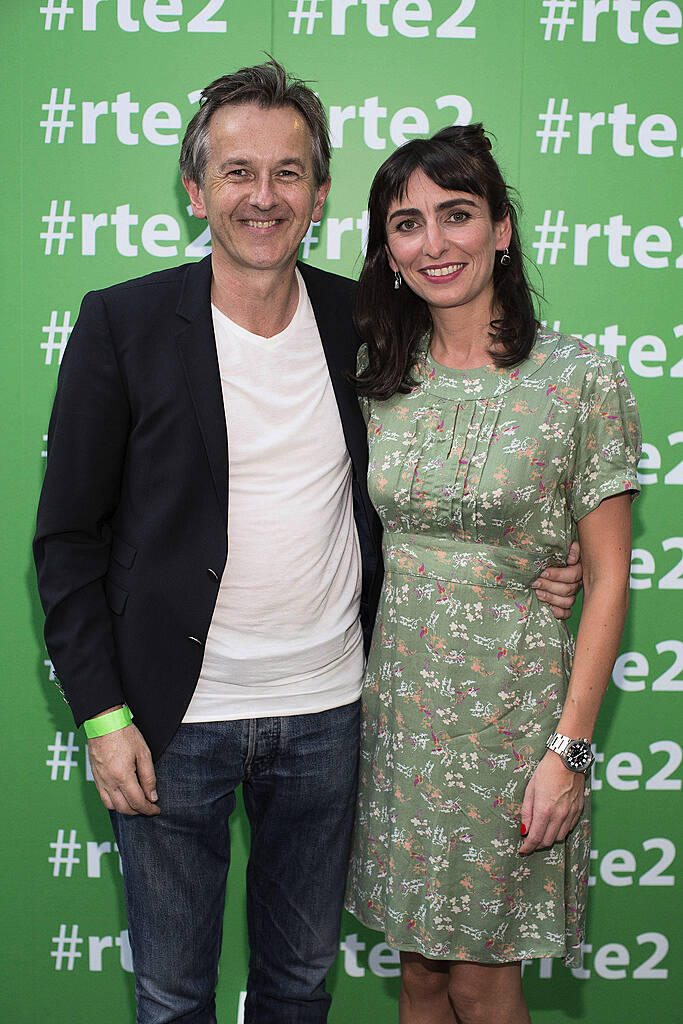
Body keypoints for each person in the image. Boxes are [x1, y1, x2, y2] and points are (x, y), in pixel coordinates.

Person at [33, 61, 582, 1024]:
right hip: (172, 721)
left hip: (334, 715)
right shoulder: (121, 324)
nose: (263, 195)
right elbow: (68, 539)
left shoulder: (368, 322)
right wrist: (101, 715)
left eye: (288, 173)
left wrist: (531, 559)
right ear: (196, 190)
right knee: (170, 994)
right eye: (237, 172)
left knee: (297, 988)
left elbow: (451, 461)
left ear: (320, 194)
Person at [344, 124, 641, 1024]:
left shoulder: (579, 381)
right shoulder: (375, 378)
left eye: (457, 215)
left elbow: (607, 581)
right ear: (387, 250)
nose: (433, 244)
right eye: (406, 224)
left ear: (502, 229)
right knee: (420, 973)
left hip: (510, 719)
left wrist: (569, 752)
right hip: (393, 713)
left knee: (483, 974)